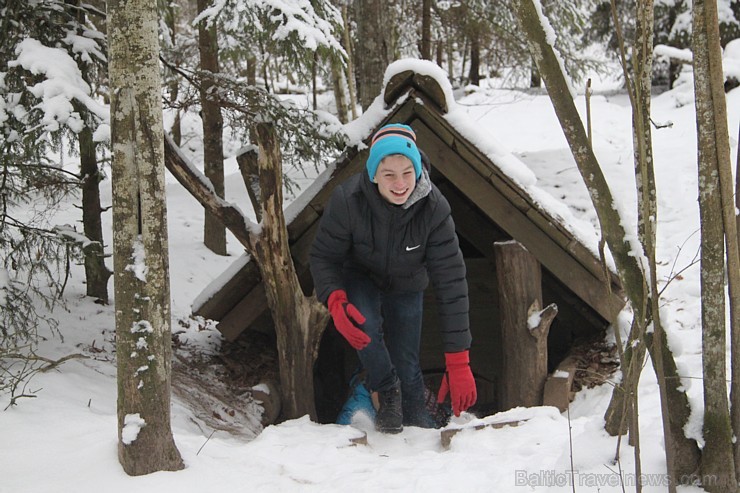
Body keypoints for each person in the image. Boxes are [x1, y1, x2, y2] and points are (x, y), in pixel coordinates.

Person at [310, 123, 476, 433]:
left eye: (407, 173)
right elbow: (324, 256)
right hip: (360, 276)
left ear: (418, 170)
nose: (400, 184)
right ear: (374, 174)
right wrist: (334, 298)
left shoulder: (434, 208)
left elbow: (451, 283)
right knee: (366, 327)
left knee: (408, 366)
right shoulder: (348, 200)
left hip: (408, 283)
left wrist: (458, 360)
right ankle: (381, 391)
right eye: (389, 174)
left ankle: (418, 425)